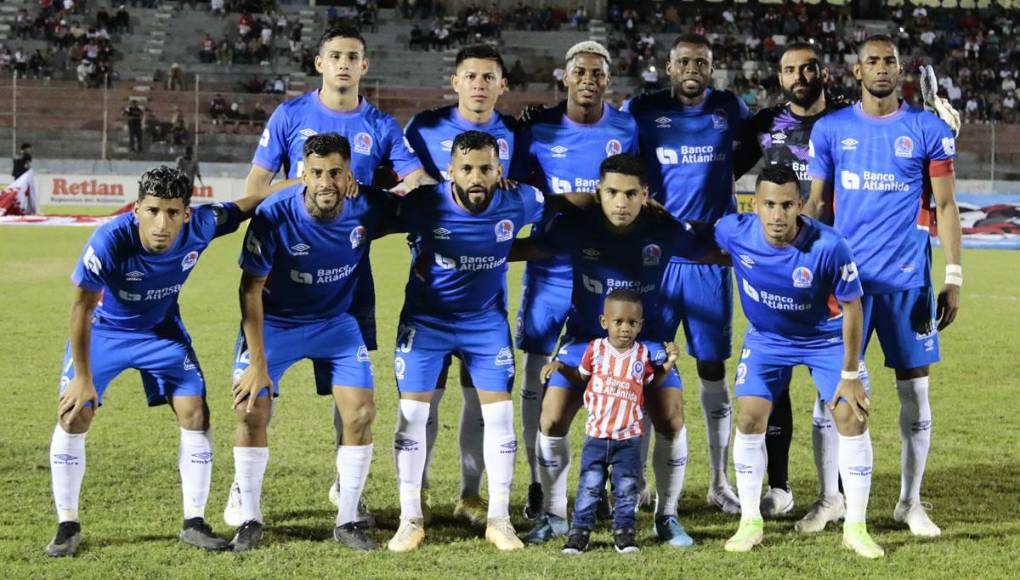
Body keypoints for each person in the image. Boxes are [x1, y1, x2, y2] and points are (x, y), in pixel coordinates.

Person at [241, 24, 432, 525]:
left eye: (353, 56)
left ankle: (346, 487)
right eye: (335, 55)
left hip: (349, 269)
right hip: (289, 264)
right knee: (255, 399)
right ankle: (245, 490)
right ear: (319, 63)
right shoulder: (290, 115)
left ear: (364, 66)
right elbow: (256, 185)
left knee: (351, 391)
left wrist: (419, 195)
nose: (344, 63)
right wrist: (311, 184)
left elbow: (413, 180)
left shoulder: (382, 124)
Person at [44, 167, 266, 557]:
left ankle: (194, 522)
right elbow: (79, 309)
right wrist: (82, 377)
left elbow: (251, 203)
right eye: (152, 211)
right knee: (74, 413)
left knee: (195, 413)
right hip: (105, 332)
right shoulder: (110, 240)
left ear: (187, 214)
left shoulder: (205, 224)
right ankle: (67, 525)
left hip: (161, 332)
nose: (162, 224)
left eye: (172, 212)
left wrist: (306, 182)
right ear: (136, 210)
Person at [514, 154, 714, 548]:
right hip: (585, 340)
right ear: (598, 193)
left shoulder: (663, 228)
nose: (620, 202)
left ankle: (666, 516)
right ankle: (554, 515)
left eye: (630, 194)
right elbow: (533, 249)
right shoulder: (578, 225)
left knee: (672, 419)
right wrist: (470, 251)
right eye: (611, 193)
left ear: (645, 195)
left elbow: (712, 251)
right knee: (551, 418)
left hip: (649, 342)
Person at [807, 35, 962, 538]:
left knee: (915, 395)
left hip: (908, 285)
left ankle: (909, 503)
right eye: (871, 61)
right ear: (856, 71)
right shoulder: (831, 129)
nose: (880, 68)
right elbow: (816, 206)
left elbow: (945, 207)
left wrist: (953, 276)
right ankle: (830, 499)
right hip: (845, 286)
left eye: (889, 61)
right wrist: (804, 273)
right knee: (830, 398)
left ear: (902, 70)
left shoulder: (926, 128)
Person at [226, 134, 394, 552]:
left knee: (361, 412)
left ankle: (348, 517)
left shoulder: (368, 206)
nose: (326, 183)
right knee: (252, 408)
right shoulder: (274, 215)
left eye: (335, 173)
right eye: (317, 173)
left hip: (336, 324)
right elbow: (250, 291)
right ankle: (248, 515)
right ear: (303, 174)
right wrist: (258, 364)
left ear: (348, 174)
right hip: (276, 323)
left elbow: (423, 208)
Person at [387, 131, 547, 553]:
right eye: (467, 169)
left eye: (486, 169)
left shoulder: (522, 200)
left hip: (484, 324)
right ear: (450, 172)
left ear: (499, 171)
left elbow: (563, 209)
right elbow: (372, 213)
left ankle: (499, 519)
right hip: (427, 321)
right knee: (412, 415)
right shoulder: (424, 203)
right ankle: (410, 519)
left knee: (498, 418)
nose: (477, 177)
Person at [714, 165, 882, 559]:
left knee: (851, 417)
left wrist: (850, 373)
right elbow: (700, 242)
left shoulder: (830, 245)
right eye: (769, 204)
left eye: (787, 204)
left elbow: (853, 306)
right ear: (753, 204)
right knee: (749, 416)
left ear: (801, 205)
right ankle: (750, 521)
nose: (777, 214)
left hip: (824, 338)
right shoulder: (733, 230)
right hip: (767, 340)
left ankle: (856, 526)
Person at [511, 40, 639, 521]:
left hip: (607, 269)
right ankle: (537, 483)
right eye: (580, 71)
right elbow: (518, 191)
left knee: (608, 376)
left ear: (609, 80)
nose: (589, 79)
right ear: (565, 77)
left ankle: (600, 483)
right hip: (549, 266)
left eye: (598, 73)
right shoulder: (537, 128)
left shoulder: (627, 127)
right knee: (535, 374)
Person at [623, 32, 750, 515]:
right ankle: (636, 483)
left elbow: (764, 137)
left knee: (713, 368)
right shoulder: (642, 109)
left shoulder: (727, 107)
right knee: (643, 367)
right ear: (669, 67)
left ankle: (719, 481)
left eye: (702, 60)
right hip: (654, 261)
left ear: (711, 67)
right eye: (684, 61)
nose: (693, 68)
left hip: (708, 262)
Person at [402, 44, 519, 526]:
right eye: (470, 75)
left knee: (478, 395)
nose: (478, 84)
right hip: (431, 283)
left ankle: (471, 496)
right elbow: (404, 180)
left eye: (488, 76)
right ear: (455, 81)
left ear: (501, 85)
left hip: (486, 286)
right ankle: (420, 490)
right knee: (425, 395)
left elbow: (520, 189)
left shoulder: (515, 132)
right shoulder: (424, 127)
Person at [732, 41, 849, 522]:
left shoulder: (848, 121)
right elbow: (720, 173)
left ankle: (835, 494)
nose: (799, 76)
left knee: (834, 393)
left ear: (823, 72)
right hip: (781, 267)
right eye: (789, 70)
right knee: (772, 385)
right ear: (778, 77)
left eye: (807, 68)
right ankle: (778, 488)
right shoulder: (762, 128)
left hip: (834, 267)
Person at [545, 291, 680, 555]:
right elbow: (580, 377)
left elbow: (650, 384)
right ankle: (579, 533)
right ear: (604, 321)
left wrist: (668, 365)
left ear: (640, 325)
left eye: (632, 323)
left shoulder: (642, 354)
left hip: (629, 439)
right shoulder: (594, 350)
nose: (625, 328)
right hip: (596, 436)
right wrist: (560, 367)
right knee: (589, 487)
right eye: (618, 321)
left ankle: (624, 534)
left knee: (627, 489)